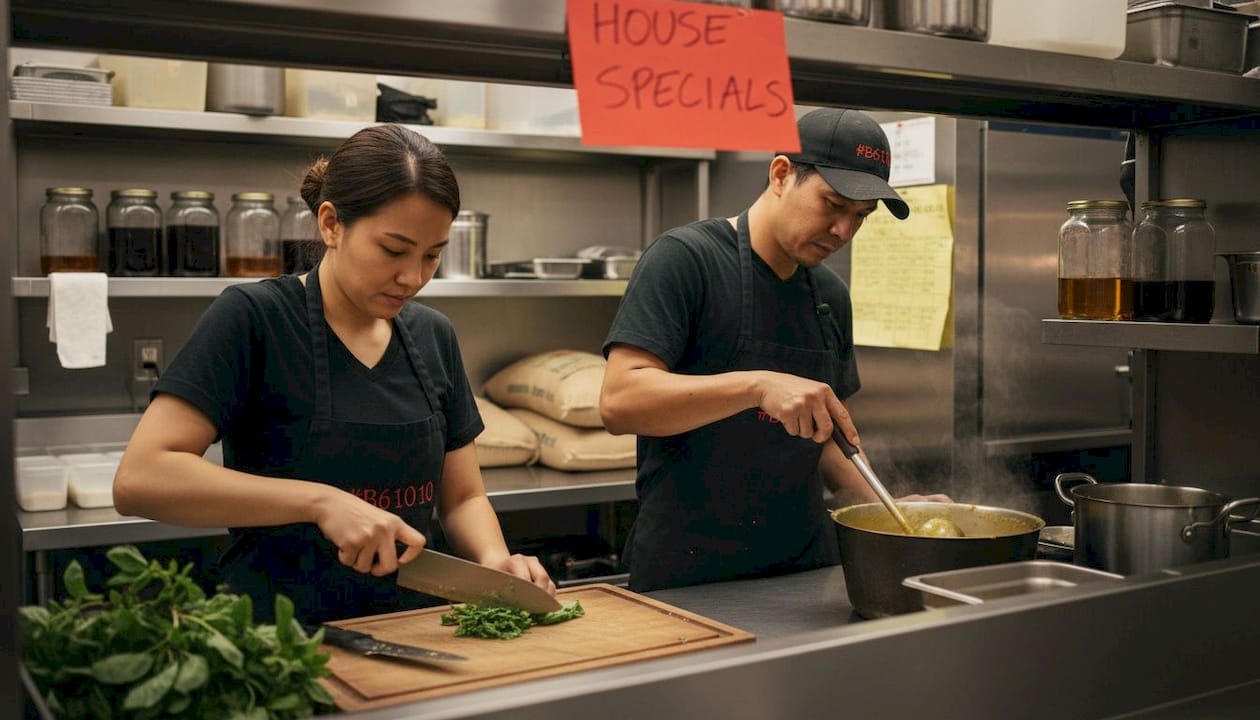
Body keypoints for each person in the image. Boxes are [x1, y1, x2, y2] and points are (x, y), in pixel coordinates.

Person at [114, 124, 554, 623]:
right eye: (393, 250)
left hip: (412, 632)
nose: (413, 277)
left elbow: (462, 497)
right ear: (330, 224)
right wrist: (321, 502)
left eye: (432, 255)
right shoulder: (254, 318)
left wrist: (496, 564)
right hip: (278, 638)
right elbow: (141, 477)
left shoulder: (434, 336)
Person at [600, 108, 949, 592]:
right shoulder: (686, 260)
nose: (843, 233)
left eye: (860, 218)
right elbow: (619, 402)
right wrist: (759, 386)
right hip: (689, 572)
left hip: (803, 568)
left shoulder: (829, 295)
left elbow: (832, 438)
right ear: (782, 174)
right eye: (833, 204)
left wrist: (892, 507)